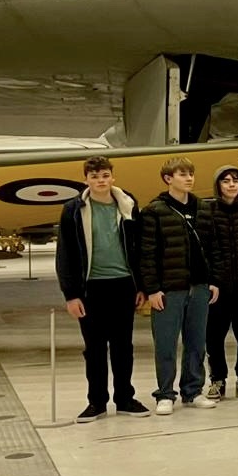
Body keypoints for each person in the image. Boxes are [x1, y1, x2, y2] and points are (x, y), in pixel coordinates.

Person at [57, 156, 150, 422]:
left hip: (123, 284)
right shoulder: (73, 210)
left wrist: (141, 285)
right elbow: (65, 254)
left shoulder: (128, 205)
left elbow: (138, 248)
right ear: (86, 179)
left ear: (113, 177)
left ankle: (125, 399)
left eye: (105, 175)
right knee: (94, 348)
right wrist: (71, 294)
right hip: (91, 288)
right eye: (95, 176)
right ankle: (96, 402)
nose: (101, 181)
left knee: (123, 346)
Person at [139, 156, 220, 415]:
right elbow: (147, 253)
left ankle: (193, 390)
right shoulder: (155, 211)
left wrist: (213, 281)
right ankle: (165, 393)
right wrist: (152, 288)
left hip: (199, 286)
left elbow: (213, 249)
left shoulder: (204, 209)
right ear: (168, 178)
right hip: (169, 289)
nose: (188, 178)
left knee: (197, 342)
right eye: (182, 174)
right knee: (165, 343)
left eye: (190, 174)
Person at [199, 165, 238, 402]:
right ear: (218, 185)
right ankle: (217, 379)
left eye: (235, 180)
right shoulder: (207, 212)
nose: (231, 184)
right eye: (226, 181)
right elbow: (204, 248)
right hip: (217, 288)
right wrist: (211, 278)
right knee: (214, 335)